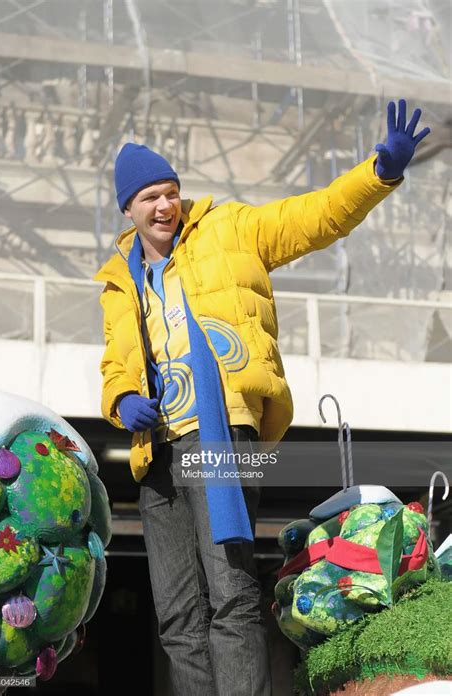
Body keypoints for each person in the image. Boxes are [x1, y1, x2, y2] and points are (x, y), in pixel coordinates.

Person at [94, 100, 429, 696]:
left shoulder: (228, 228)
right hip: (157, 450)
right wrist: (121, 401)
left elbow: (313, 217)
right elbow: (114, 364)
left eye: (171, 192)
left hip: (226, 430)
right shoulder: (119, 281)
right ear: (128, 210)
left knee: (230, 593)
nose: (165, 205)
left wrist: (378, 172)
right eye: (150, 198)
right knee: (175, 613)